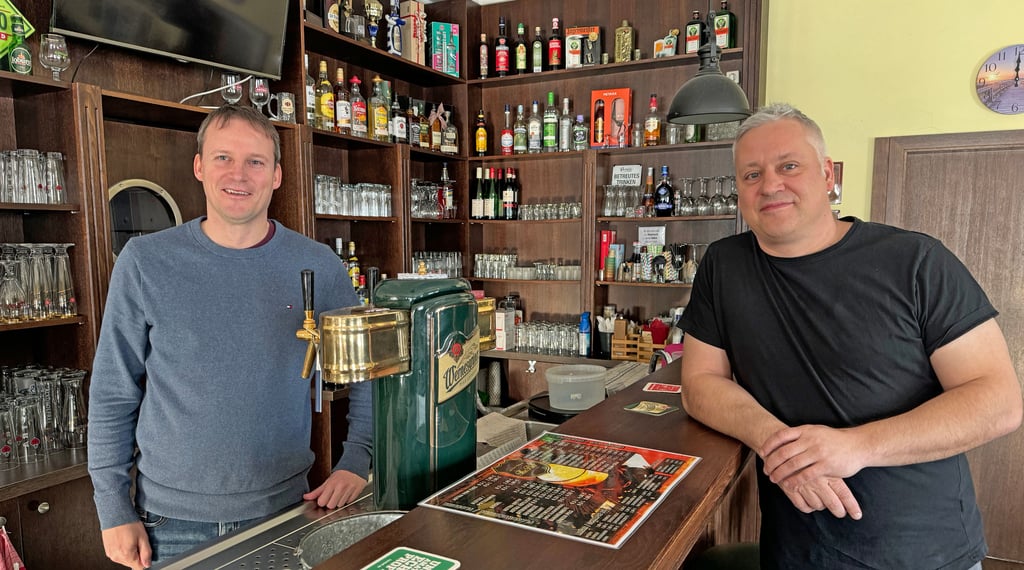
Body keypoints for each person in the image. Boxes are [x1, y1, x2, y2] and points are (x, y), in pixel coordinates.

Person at [679, 103, 1022, 569]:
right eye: (751, 174)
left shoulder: (915, 261)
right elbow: (700, 383)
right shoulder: (723, 266)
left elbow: (999, 401)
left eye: (789, 166)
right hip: (796, 552)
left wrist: (854, 447)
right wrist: (777, 442)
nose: (770, 185)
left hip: (924, 554)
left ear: (827, 174)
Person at [88, 104, 373, 570]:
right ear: (199, 166)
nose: (238, 174)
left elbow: (368, 372)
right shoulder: (144, 261)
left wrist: (358, 458)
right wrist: (112, 506)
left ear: (276, 175)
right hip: (169, 523)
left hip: (286, 512)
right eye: (223, 157)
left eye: (255, 161)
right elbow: (112, 392)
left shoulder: (319, 265)